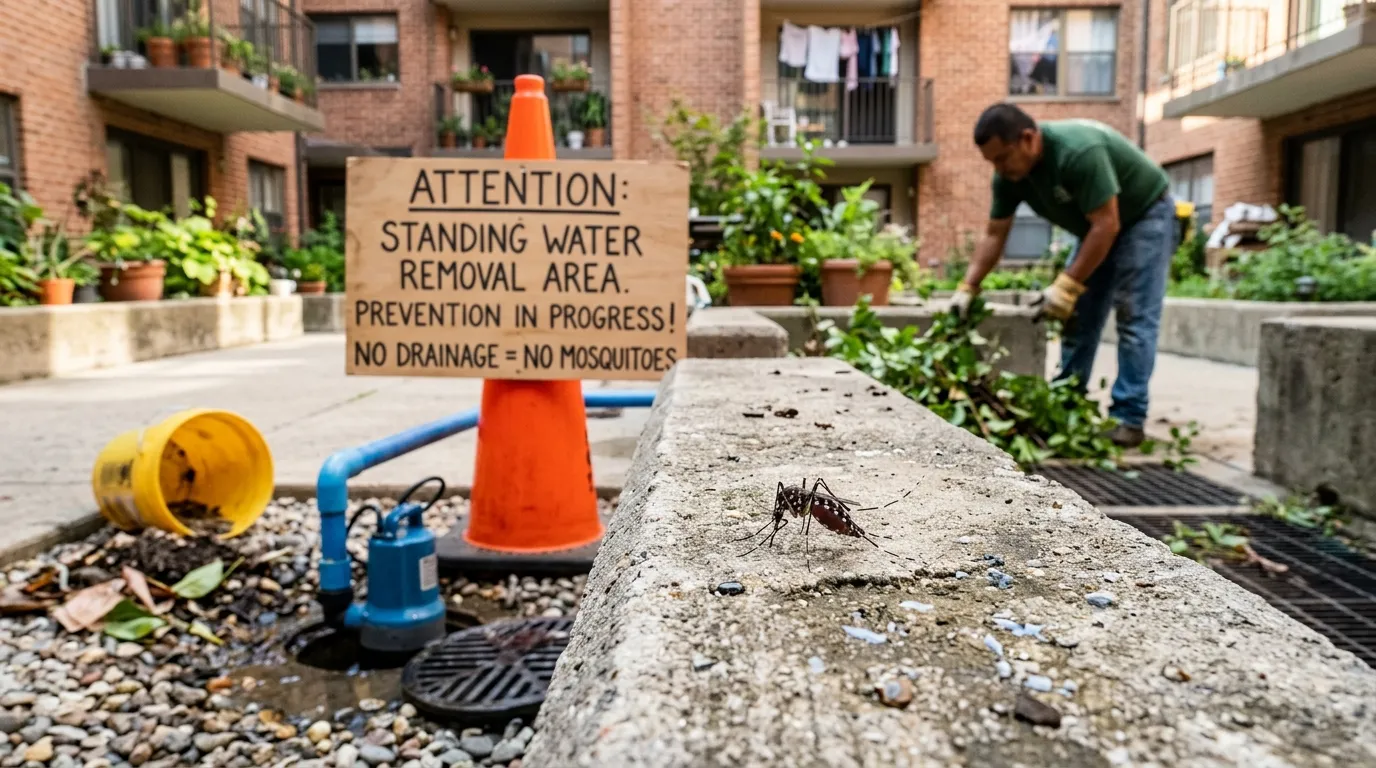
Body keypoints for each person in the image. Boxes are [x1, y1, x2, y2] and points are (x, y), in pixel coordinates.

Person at [948, 103, 1177, 448]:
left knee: (1134, 317)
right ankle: (1067, 404)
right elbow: (995, 234)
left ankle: (1128, 419)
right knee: (1077, 317)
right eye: (991, 161)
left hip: (1143, 216)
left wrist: (1066, 286)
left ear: (1028, 138)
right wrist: (968, 287)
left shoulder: (1078, 151)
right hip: (1096, 228)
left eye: (1003, 157)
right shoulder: (1010, 176)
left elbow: (1108, 223)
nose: (999, 168)